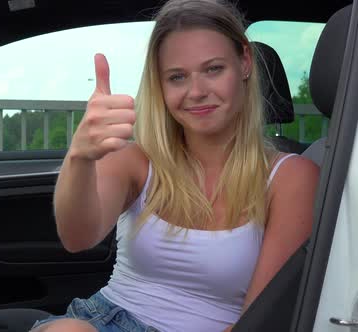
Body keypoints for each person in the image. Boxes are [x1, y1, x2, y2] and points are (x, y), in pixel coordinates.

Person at [30, 0, 320, 331]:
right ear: (161, 86)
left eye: (213, 69)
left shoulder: (291, 178)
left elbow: (259, 320)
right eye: (177, 77)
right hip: (103, 319)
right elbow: (77, 238)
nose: (196, 92)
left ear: (244, 62)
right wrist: (80, 157)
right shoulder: (137, 160)